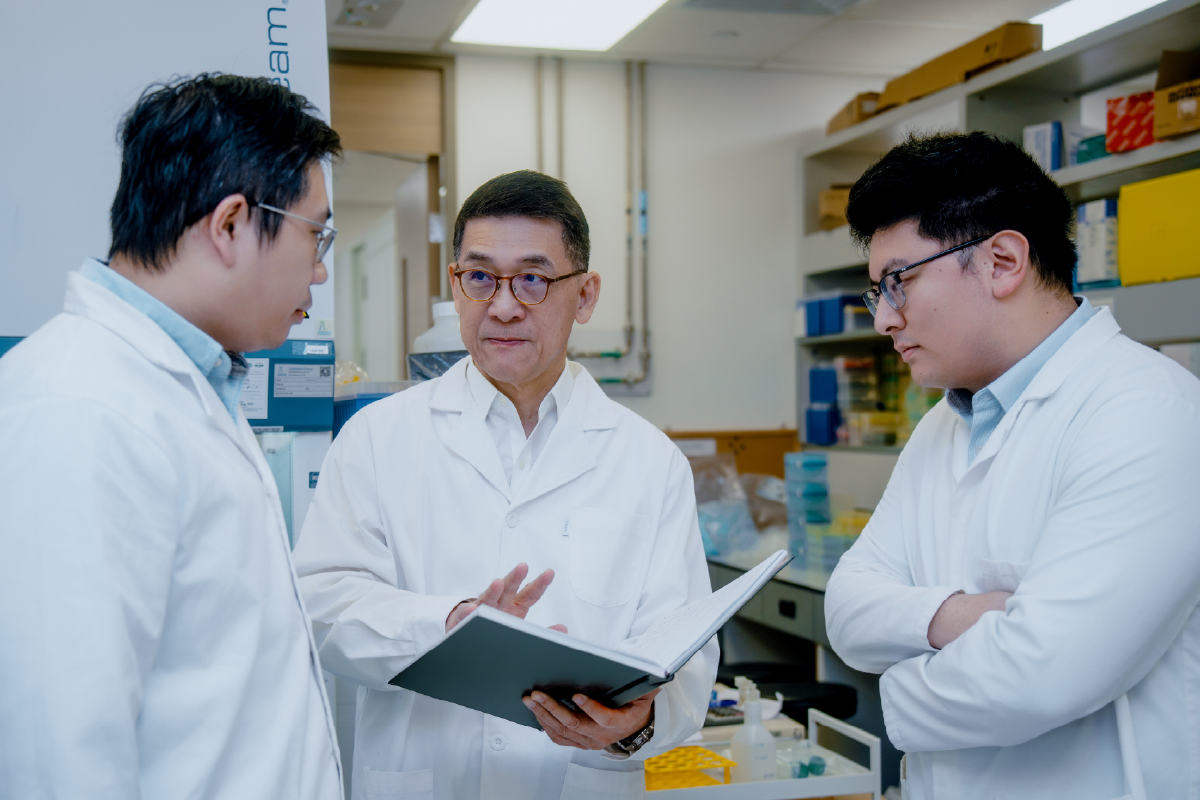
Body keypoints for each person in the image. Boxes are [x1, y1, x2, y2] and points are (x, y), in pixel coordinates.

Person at [293, 170, 717, 800]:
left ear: (587, 295)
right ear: (456, 286)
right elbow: (319, 608)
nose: (504, 305)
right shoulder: (377, 439)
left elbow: (683, 661)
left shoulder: (649, 463)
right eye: (481, 276)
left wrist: (638, 722)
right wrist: (449, 623)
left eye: (534, 279)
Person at [823, 132, 1200, 800]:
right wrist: (965, 616)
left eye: (898, 282)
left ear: (1002, 261)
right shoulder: (944, 424)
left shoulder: (1147, 410)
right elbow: (849, 610)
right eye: (874, 292)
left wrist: (899, 689)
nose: (884, 318)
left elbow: (1043, 673)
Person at [0, 75, 344, 799]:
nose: (318, 270)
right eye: (317, 234)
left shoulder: (187, 387)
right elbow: (58, 758)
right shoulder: (81, 408)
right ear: (230, 225)